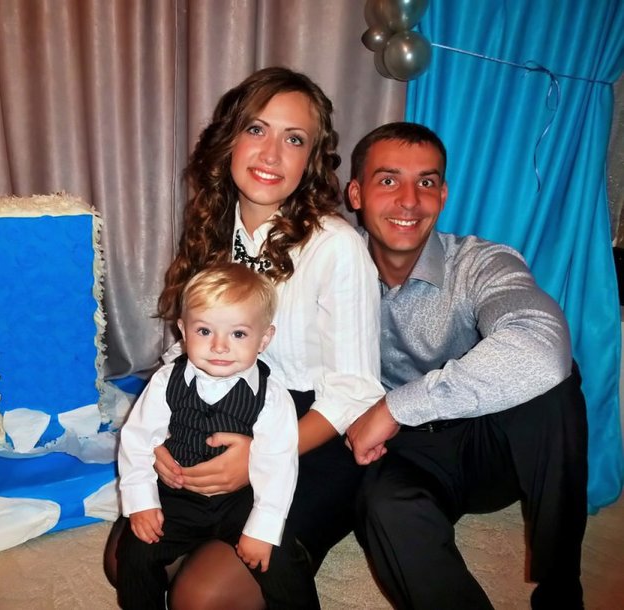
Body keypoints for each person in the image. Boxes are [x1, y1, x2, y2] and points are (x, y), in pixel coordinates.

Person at [105, 66, 384, 609]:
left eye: (294, 139)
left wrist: (256, 459)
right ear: (230, 138)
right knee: (125, 560)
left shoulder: (336, 246)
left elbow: (355, 389)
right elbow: (185, 349)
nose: (271, 153)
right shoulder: (212, 227)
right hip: (214, 406)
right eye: (257, 129)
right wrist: (159, 441)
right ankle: (208, 533)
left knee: (199, 597)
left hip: (310, 431)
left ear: (311, 159)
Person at [345, 122, 588, 610]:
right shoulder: (331, 269)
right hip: (406, 454)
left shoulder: (479, 262)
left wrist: (394, 407)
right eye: (388, 180)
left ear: (443, 194)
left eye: (426, 182)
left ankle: (561, 587)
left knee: (554, 384)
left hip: (489, 443)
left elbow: (542, 348)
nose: (409, 201)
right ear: (356, 194)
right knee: (383, 509)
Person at [116, 263, 318, 609]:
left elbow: (278, 467)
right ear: (183, 330)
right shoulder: (166, 381)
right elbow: (138, 439)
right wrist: (142, 502)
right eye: (205, 331)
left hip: (241, 500)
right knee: (133, 553)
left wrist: (262, 528)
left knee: (281, 559)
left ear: (264, 338)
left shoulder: (272, 396)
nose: (220, 346)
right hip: (178, 496)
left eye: (238, 334)